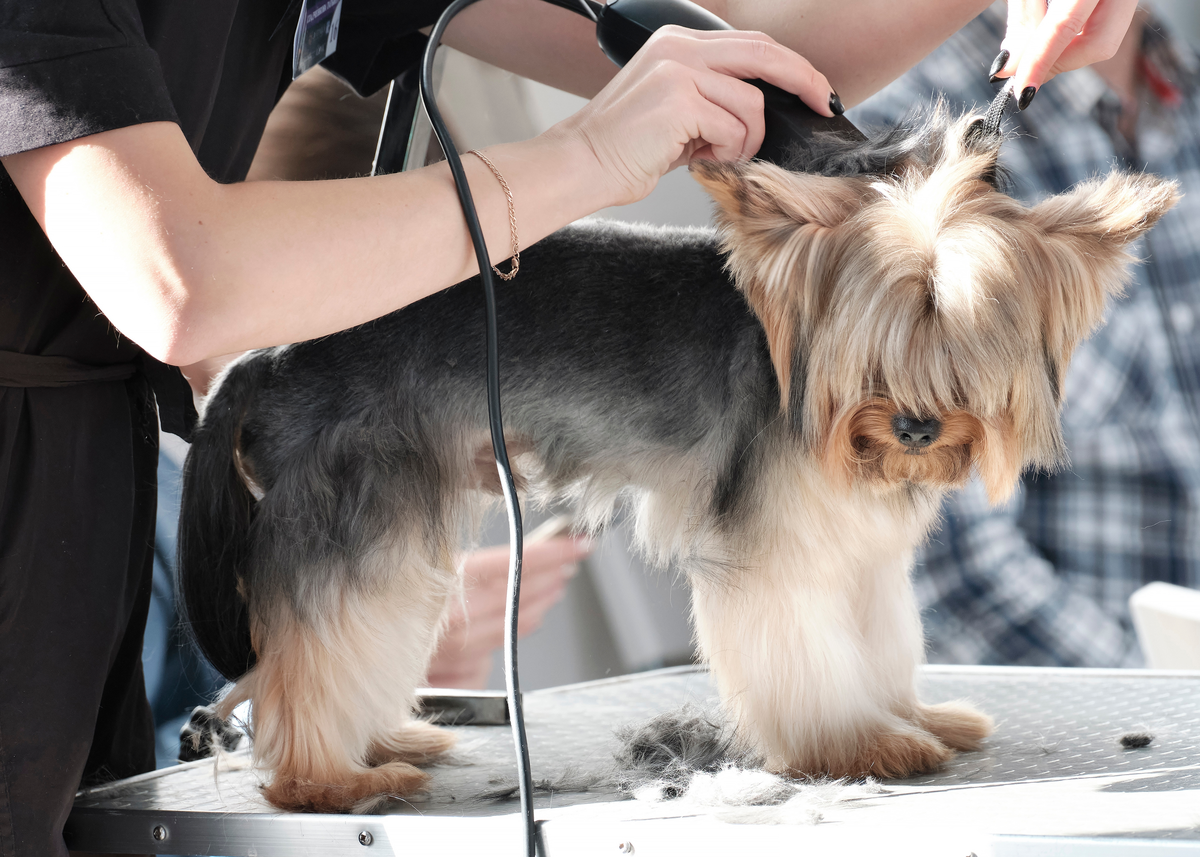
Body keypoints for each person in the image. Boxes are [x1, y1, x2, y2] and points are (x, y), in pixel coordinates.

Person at [0, 0, 1140, 853]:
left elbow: (744, 48)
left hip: (89, 479)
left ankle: (333, 725)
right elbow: (176, 279)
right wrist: (585, 158)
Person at [852, 1, 1200, 667]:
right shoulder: (902, 143)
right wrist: (1164, 702)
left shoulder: (1185, 90)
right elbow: (953, 568)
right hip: (1090, 713)